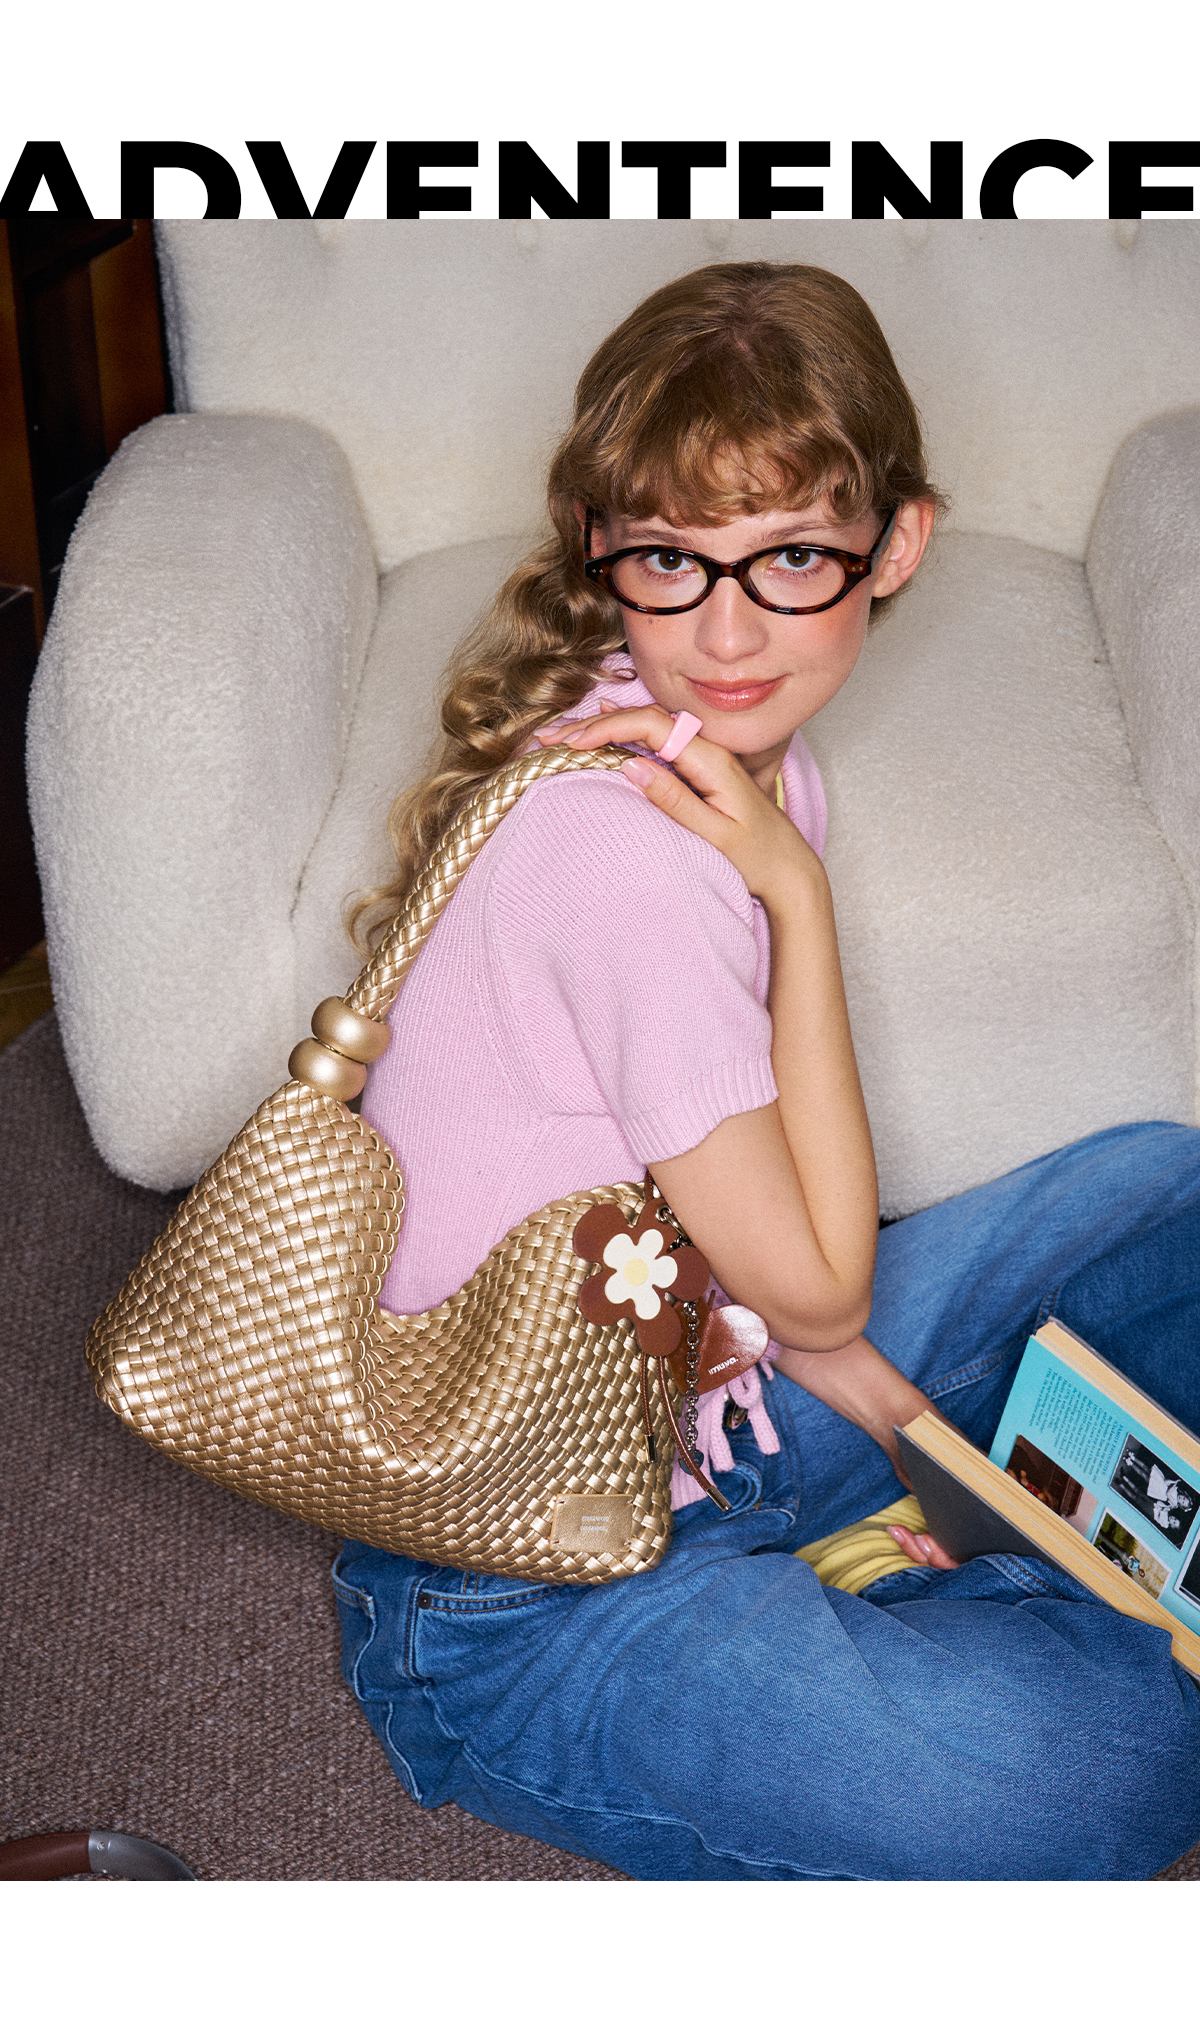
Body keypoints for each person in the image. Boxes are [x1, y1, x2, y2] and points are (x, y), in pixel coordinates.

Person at [335, 262, 1200, 1880]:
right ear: (600, 545)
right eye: (671, 561)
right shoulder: (632, 853)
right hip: (522, 1583)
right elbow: (818, 1285)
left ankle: (952, 1563)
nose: (728, 633)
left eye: (793, 558)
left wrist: (888, 1408)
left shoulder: (712, 746)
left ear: (897, 546)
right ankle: (981, 1589)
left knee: (1170, 1186)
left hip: (708, 1413)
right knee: (1099, 1778)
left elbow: (776, 1278)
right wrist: (801, 908)